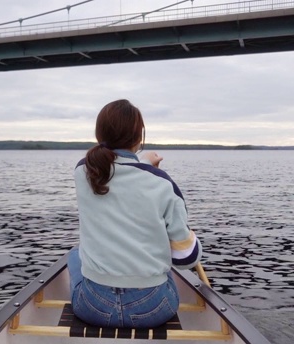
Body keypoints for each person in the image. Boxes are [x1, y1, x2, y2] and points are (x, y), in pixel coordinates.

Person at [68, 99, 202, 329]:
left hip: (93, 307)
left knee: (74, 255)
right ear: (139, 137)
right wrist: (193, 239)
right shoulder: (162, 183)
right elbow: (186, 259)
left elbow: (120, 171)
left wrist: (143, 164)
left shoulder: (84, 172)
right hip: (154, 309)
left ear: (99, 134)